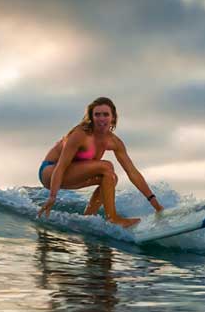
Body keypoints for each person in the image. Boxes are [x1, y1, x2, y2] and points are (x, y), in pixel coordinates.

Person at [37, 97, 164, 228]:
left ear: (113, 118)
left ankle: (87, 218)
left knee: (111, 178)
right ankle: (113, 218)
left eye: (106, 114)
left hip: (69, 174)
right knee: (107, 166)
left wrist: (155, 203)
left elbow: (132, 172)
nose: (101, 118)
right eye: (97, 114)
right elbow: (62, 166)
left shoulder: (115, 142)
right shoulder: (81, 134)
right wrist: (52, 196)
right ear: (91, 117)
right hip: (50, 172)